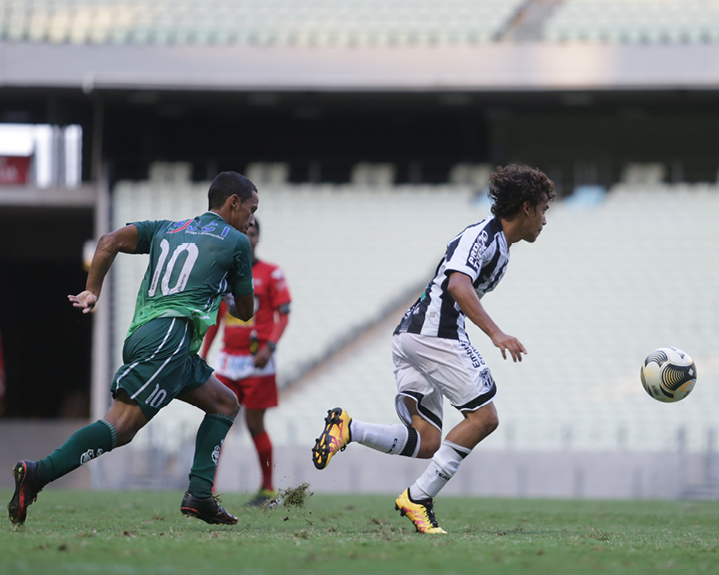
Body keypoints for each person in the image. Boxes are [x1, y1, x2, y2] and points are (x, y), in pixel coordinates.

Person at [311, 164, 553, 533]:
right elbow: (457, 285)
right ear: (526, 207)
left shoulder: (500, 246)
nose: (545, 221)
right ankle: (418, 498)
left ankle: (349, 428)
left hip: (411, 336)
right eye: (543, 210)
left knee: (427, 442)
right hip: (434, 335)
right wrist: (496, 333)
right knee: (485, 418)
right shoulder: (483, 237)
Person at [8, 172, 258, 526]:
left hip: (149, 333)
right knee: (121, 427)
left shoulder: (166, 228)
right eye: (251, 209)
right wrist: (231, 295)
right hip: (171, 337)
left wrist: (91, 289)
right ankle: (37, 473)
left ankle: (200, 495)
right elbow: (246, 312)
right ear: (233, 202)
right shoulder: (236, 241)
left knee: (224, 403)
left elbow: (109, 241)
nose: (251, 219)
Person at [202, 218, 291, 506]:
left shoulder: (272, 273)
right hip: (229, 360)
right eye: (244, 233)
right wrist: (204, 352)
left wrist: (270, 347)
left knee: (255, 425)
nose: (248, 238)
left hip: (258, 362)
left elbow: (284, 314)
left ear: (258, 238)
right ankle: (206, 489)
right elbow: (217, 317)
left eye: (252, 234)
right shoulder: (226, 274)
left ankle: (267, 490)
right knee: (217, 421)